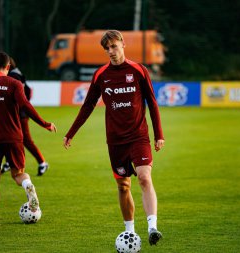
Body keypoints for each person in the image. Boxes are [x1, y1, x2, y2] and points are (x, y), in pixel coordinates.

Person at [63, 30, 165, 246]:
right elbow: (88, 105)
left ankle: (152, 227)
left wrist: (159, 135)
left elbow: (152, 103)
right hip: (116, 141)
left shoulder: (138, 70)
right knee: (123, 186)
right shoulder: (101, 75)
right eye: (107, 48)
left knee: (144, 177)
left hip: (139, 137)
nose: (110, 51)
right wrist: (71, 133)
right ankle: (129, 231)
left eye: (113, 46)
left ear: (123, 44)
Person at [0, 51, 56, 227]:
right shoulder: (14, 83)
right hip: (13, 137)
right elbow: (26, 106)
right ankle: (28, 185)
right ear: (8, 66)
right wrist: (44, 123)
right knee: (18, 174)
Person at [1, 57, 49, 176]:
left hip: (20, 113)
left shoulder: (13, 76)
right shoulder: (17, 73)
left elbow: (21, 95)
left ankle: (42, 162)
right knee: (10, 138)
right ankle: (8, 162)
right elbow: (28, 91)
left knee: (25, 140)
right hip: (20, 112)